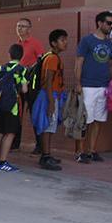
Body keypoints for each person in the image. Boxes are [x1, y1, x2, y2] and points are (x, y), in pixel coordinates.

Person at [74, 11, 112, 163]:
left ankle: (92, 150)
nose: (111, 26)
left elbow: (111, 65)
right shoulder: (87, 41)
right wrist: (78, 83)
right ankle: (80, 152)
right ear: (100, 23)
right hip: (88, 86)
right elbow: (79, 62)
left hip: (104, 87)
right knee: (84, 120)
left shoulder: (110, 44)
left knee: (98, 120)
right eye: (109, 23)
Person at [0, 44, 28, 172]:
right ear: (22, 55)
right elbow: (24, 89)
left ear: (9, 54)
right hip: (12, 107)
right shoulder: (21, 69)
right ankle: (3, 161)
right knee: (10, 133)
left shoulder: (2, 67)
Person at [36, 29, 68, 171]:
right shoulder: (52, 58)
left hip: (52, 95)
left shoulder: (54, 57)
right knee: (48, 126)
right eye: (62, 40)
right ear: (54, 43)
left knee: (50, 126)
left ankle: (47, 155)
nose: (65, 43)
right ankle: (45, 156)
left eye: (65, 39)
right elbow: (48, 81)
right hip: (49, 96)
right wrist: (50, 102)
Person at [15, 18, 45, 153]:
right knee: (17, 113)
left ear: (29, 29)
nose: (20, 28)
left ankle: (40, 145)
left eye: (23, 26)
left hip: (31, 83)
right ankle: (15, 143)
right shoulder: (17, 44)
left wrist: (31, 71)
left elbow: (41, 62)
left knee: (34, 113)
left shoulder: (35, 43)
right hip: (18, 82)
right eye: (18, 26)